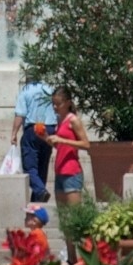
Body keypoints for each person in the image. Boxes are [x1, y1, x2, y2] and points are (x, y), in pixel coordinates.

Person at [11, 70, 56, 206]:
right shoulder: (49, 90)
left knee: (30, 167)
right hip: (49, 129)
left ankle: (40, 191)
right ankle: (37, 202)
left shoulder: (25, 91)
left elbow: (20, 114)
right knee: (42, 166)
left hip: (33, 129)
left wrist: (14, 133)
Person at [50, 86, 89, 216]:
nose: (55, 107)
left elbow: (86, 144)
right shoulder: (59, 120)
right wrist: (46, 138)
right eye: (53, 104)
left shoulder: (73, 120)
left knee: (75, 216)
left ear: (67, 103)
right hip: (59, 170)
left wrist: (61, 140)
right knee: (63, 216)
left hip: (71, 171)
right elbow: (60, 146)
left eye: (58, 104)